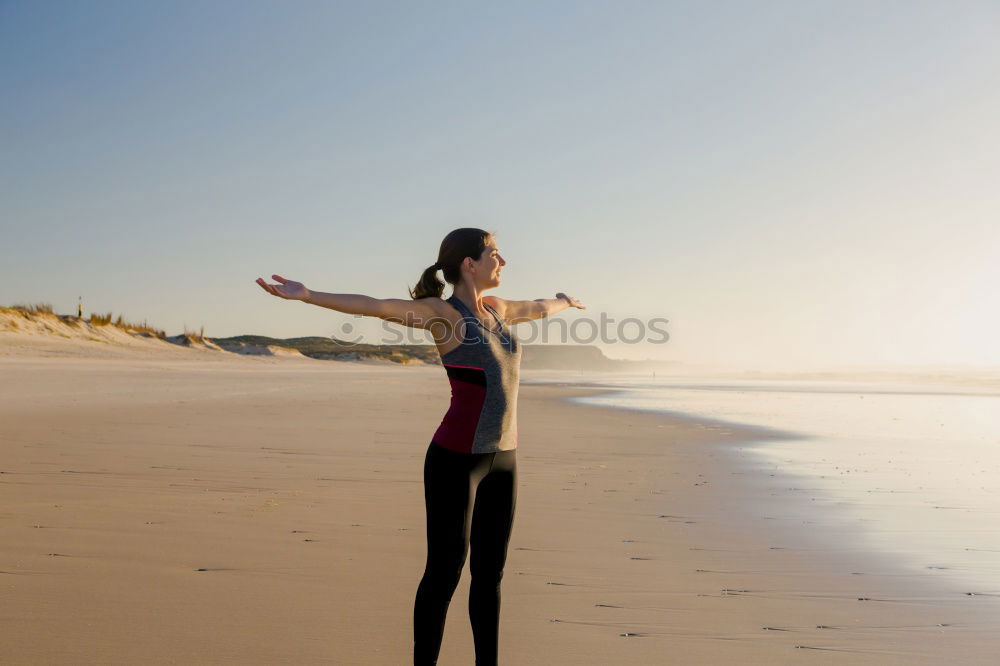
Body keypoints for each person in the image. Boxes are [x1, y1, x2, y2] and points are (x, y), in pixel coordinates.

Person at [255, 228, 584, 665]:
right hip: (455, 460)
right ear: (469, 263)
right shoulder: (441, 314)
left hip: (504, 459)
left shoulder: (499, 310)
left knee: (491, 576)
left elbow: (540, 307)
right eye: (495, 254)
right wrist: (308, 294)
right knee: (445, 572)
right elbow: (376, 307)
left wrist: (564, 300)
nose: (503, 263)